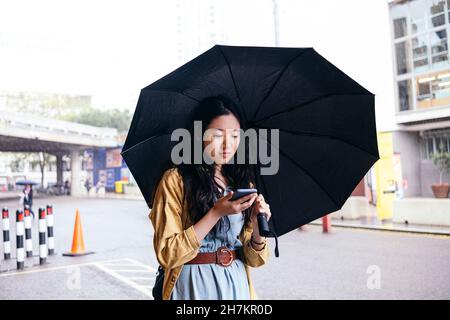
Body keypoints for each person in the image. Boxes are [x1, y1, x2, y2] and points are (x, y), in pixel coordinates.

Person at [149, 95, 272, 300]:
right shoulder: (175, 180)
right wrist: (215, 213)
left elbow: (254, 260)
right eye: (217, 135)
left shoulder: (242, 183)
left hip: (237, 286)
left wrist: (258, 230)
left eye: (235, 135)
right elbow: (168, 254)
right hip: (193, 286)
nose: (227, 144)